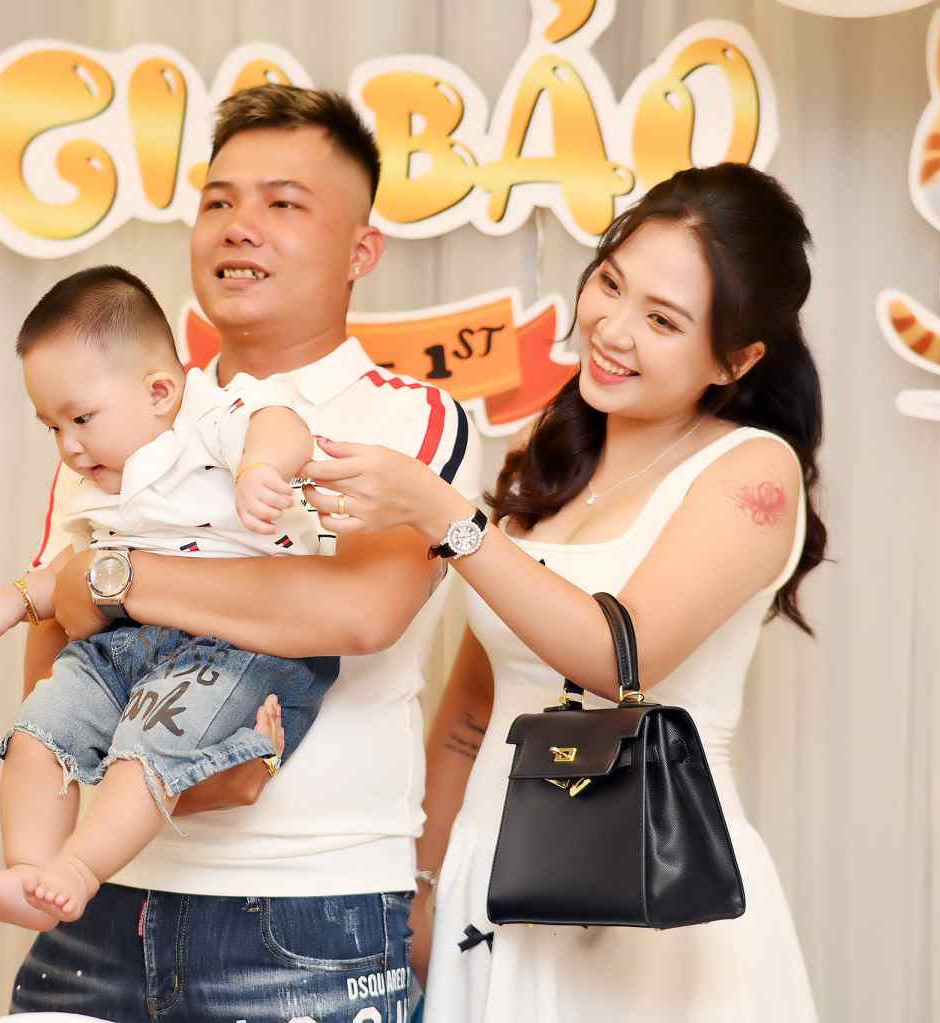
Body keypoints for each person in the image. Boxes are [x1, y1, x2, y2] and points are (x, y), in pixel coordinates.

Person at [301, 162, 825, 1021]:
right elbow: (473, 709)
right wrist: (422, 886)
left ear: (736, 358)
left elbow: (622, 656)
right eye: (610, 284)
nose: (612, 330)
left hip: (654, 903)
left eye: (662, 320)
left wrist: (445, 513)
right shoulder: (552, 454)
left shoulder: (751, 471)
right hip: (491, 885)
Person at [8, 85, 479, 1022]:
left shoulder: (408, 416)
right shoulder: (116, 416)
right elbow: (56, 646)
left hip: (307, 910)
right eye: (218, 200)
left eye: (283, 203)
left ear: (362, 251)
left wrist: (117, 578)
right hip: (101, 901)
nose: (238, 226)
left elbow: (357, 610)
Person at [0, 264, 338, 930]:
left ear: (160, 391)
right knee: (40, 727)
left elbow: (283, 425)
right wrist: (16, 599)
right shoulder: (100, 479)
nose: (69, 446)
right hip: (125, 644)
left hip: (237, 647)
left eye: (81, 418)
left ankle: (79, 868)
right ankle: (29, 868)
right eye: (52, 427)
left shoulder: (209, 418)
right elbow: (77, 561)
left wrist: (260, 468)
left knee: (146, 747)